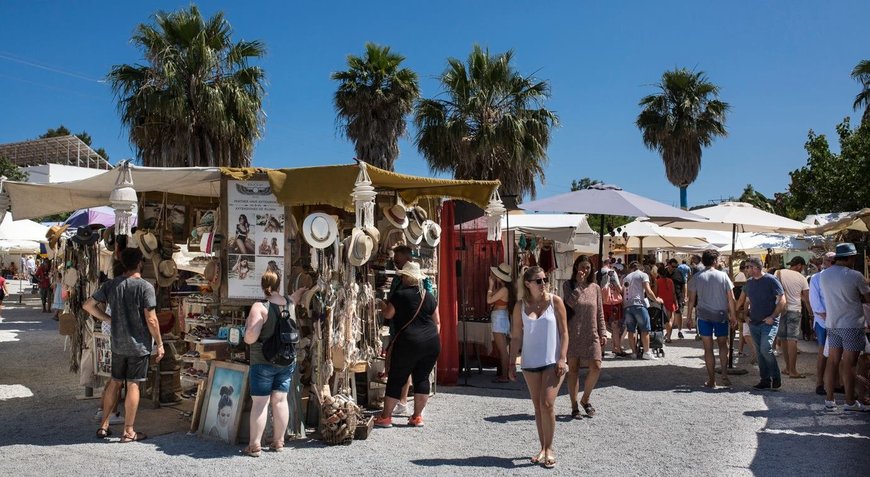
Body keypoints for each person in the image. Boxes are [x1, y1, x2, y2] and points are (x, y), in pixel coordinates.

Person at [83, 247, 163, 442]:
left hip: (118, 343)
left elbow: (87, 305)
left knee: (115, 381)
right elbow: (151, 319)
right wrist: (160, 343)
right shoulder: (145, 287)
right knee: (133, 384)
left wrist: (109, 319)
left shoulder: (111, 285)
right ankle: (128, 431)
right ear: (139, 263)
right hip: (138, 345)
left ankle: (103, 425)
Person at [509, 266, 568, 469]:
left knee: (548, 403)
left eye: (545, 279)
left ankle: (550, 448)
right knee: (537, 406)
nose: (544, 283)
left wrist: (562, 358)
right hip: (530, 362)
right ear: (527, 283)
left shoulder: (555, 301)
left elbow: (564, 332)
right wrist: (510, 364)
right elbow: (516, 336)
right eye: (539, 281)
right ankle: (542, 447)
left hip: (553, 361)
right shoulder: (520, 306)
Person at [242, 270, 306, 456]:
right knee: (280, 401)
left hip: (262, 362)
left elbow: (250, 338)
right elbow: (295, 297)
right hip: (286, 361)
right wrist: (302, 290)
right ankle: (278, 442)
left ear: (262, 286)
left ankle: (254, 446)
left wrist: (244, 332)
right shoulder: (290, 304)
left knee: (260, 403)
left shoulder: (259, 307)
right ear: (279, 285)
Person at [375, 262, 441, 428]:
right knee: (422, 378)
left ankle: (386, 417)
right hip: (431, 341)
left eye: (403, 275)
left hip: (408, 341)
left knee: (397, 378)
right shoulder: (428, 295)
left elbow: (389, 314)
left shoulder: (400, 295)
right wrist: (429, 337)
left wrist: (382, 305)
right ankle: (417, 417)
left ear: (407, 277)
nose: (401, 278)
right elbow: (437, 322)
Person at [818, 243, 870, 412]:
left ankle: (829, 399)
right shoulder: (855, 275)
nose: (854, 260)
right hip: (851, 324)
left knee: (833, 361)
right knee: (850, 364)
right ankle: (849, 402)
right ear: (848, 258)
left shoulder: (824, 275)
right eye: (853, 257)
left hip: (832, 323)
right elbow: (867, 297)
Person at [686, 250, 737, 388]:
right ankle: (725, 375)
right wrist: (733, 315)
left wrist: (689, 317)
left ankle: (711, 379)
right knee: (722, 345)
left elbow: (691, 300)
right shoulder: (723, 276)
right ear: (715, 261)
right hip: (720, 315)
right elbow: (731, 298)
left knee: (708, 349)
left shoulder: (697, 277)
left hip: (703, 316)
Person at [563, 258, 606, 418]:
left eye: (588, 268)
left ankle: (585, 399)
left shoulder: (595, 288)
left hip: (591, 332)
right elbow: (568, 305)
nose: (585, 270)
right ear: (576, 268)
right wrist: (579, 286)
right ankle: (574, 405)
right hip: (574, 332)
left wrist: (603, 331)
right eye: (582, 267)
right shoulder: (568, 285)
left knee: (596, 366)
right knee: (573, 369)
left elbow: (599, 312)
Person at [737, 257, 785, 390]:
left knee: (765, 349)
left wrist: (773, 316)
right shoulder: (749, 283)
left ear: (756, 268)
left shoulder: (771, 280)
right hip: (754, 322)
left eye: (748, 267)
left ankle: (775, 377)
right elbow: (745, 300)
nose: (746, 269)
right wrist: (745, 315)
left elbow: (782, 300)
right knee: (759, 352)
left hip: (768, 322)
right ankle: (765, 379)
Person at [774, 256, 812, 379]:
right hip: (795, 310)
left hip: (781, 309)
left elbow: (774, 290)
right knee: (792, 340)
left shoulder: (778, 272)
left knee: (783, 339)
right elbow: (806, 298)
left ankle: (787, 367)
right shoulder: (802, 278)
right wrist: (811, 313)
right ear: (800, 265)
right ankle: (793, 370)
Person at [809, 252, 839, 396]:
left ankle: (836, 383)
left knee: (840, 352)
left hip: (839, 320)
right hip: (823, 321)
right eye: (828, 261)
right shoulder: (816, 278)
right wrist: (827, 316)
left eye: (833, 261)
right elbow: (815, 302)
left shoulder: (840, 276)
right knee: (823, 351)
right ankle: (819, 383)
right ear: (823, 262)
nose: (830, 264)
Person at [623, 261, 664, 360]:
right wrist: (656, 300)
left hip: (627, 306)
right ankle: (646, 352)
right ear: (641, 268)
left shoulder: (626, 277)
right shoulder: (643, 275)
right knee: (645, 329)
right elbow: (648, 290)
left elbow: (623, 292)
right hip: (639, 305)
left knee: (631, 331)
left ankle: (633, 353)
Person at [488, 262, 516, 383]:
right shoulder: (505, 288)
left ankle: (505, 376)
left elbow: (489, 300)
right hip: (501, 317)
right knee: (504, 349)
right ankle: (506, 374)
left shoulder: (504, 289)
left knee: (503, 350)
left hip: (499, 318)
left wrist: (490, 287)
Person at [600, 266, 625, 356]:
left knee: (602, 327)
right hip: (614, 304)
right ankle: (617, 348)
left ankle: (601, 350)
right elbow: (620, 289)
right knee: (615, 327)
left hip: (602, 304)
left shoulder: (598, 275)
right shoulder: (613, 274)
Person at [655, 262, 678, 343]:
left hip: (661, 302)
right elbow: (673, 293)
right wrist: (676, 302)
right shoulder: (670, 281)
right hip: (670, 301)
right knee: (670, 320)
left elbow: (655, 292)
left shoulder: (657, 281)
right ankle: (668, 337)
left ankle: (665, 336)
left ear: (659, 273)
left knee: (664, 321)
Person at [666, 259, 688, 339]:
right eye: (673, 266)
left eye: (676, 266)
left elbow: (684, 284)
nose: (674, 268)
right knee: (669, 314)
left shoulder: (679, 272)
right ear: (668, 264)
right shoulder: (664, 272)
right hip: (667, 297)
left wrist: (685, 296)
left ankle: (679, 330)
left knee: (679, 313)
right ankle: (668, 331)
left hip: (678, 296)